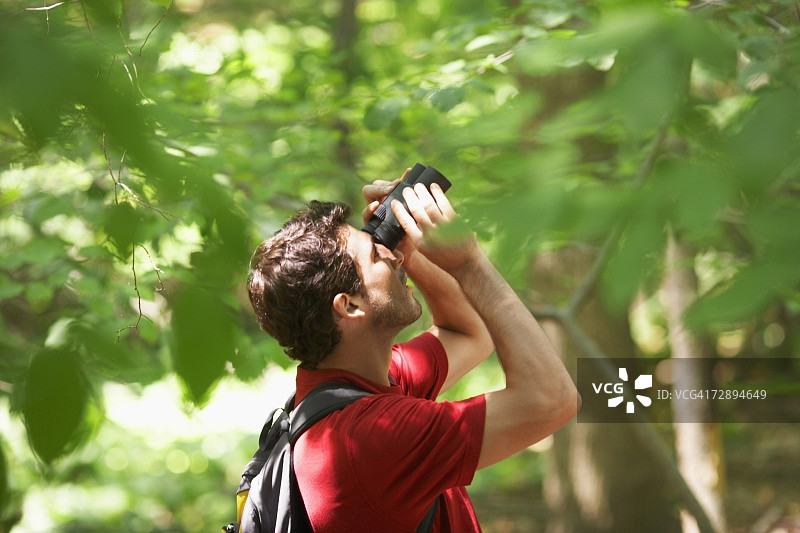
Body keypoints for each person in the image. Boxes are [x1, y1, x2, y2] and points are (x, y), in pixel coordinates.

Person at [246, 169, 580, 532]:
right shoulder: (370, 439)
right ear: (349, 307)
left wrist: (411, 250)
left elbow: (469, 333)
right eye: (377, 255)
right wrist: (469, 263)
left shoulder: (351, 385)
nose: (395, 260)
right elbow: (552, 400)